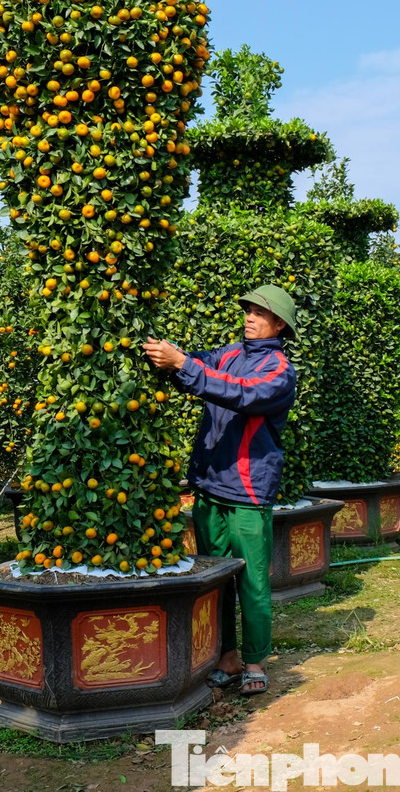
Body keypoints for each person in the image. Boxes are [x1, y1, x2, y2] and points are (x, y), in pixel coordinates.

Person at [142, 285, 299, 696]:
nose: (249, 317)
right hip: (210, 486)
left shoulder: (279, 370)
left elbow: (240, 394)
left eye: (259, 313)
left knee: (251, 581)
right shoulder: (228, 354)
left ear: (279, 323)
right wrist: (170, 358)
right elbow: (198, 371)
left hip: (248, 491)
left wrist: (185, 366)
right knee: (216, 580)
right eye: (247, 310)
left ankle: (254, 660)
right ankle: (227, 658)